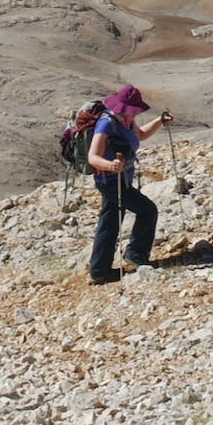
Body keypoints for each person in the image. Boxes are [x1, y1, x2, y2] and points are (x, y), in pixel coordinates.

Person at [85, 83, 174, 285]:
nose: (132, 115)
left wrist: (159, 121)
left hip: (120, 180)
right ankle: (134, 255)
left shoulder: (125, 121)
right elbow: (93, 157)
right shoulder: (107, 124)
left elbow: (140, 135)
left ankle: (100, 270)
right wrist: (111, 165)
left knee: (110, 222)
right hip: (110, 181)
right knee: (147, 210)